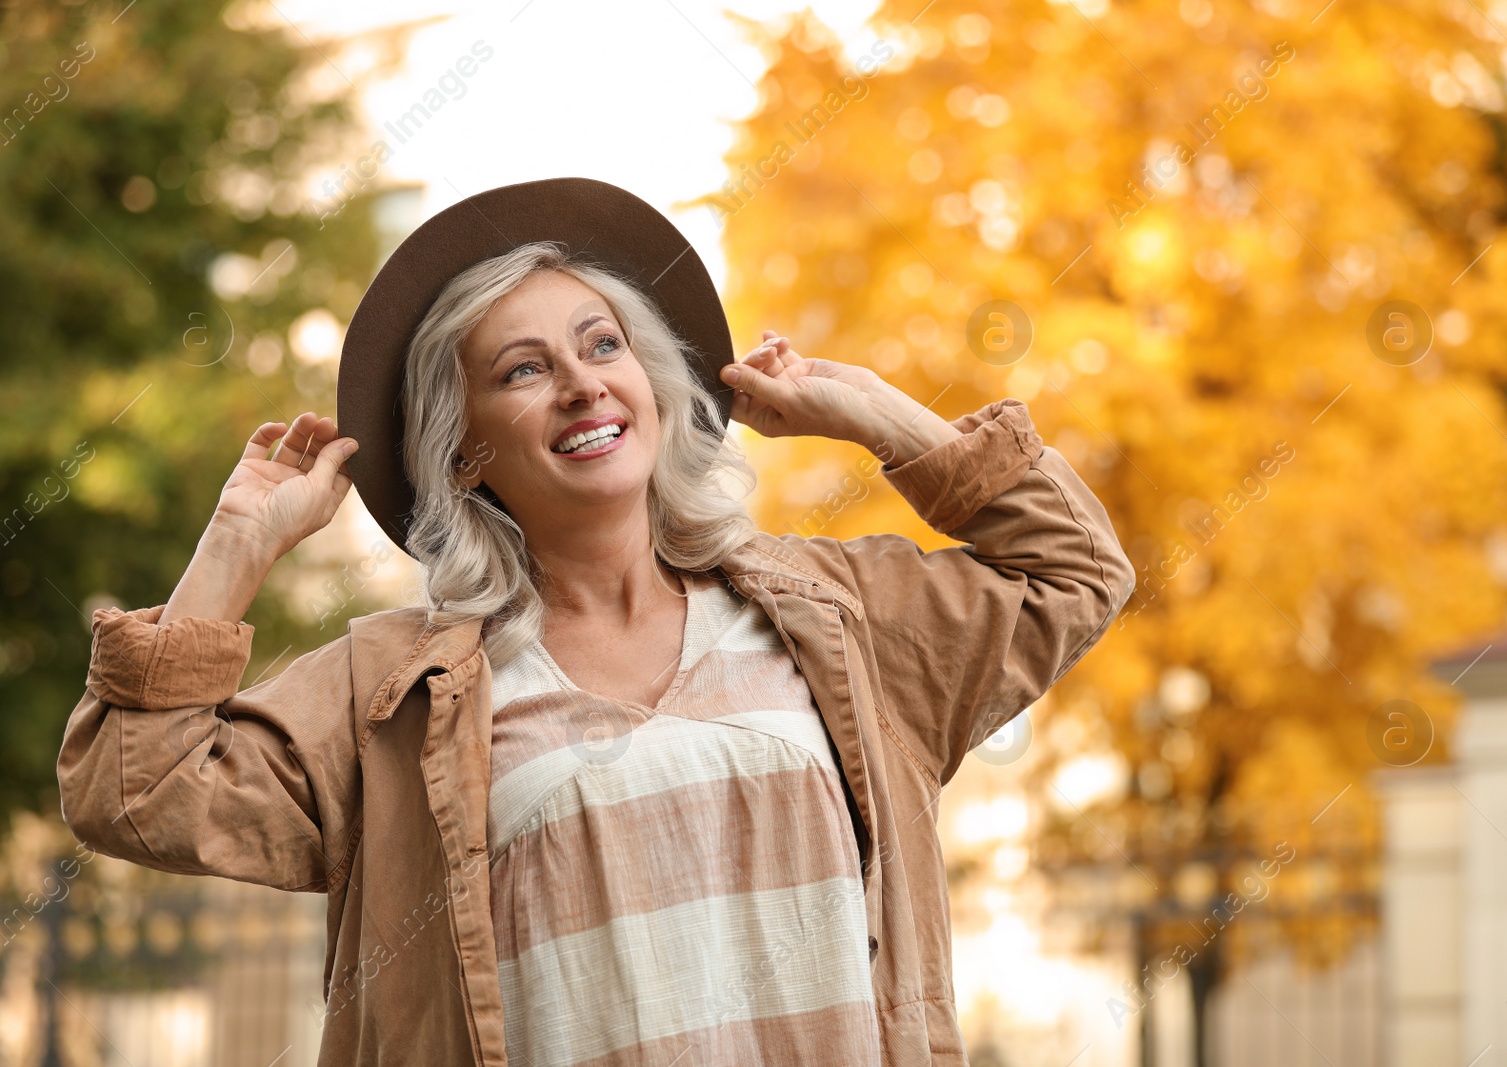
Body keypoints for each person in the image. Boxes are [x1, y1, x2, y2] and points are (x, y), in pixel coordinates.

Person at [58, 178, 1135, 1067]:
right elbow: (135, 790)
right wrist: (238, 545)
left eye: (603, 345)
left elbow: (1074, 570)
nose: (581, 383)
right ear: (462, 450)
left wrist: (873, 414)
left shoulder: (833, 617)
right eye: (523, 370)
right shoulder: (395, 689)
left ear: (654, 385)